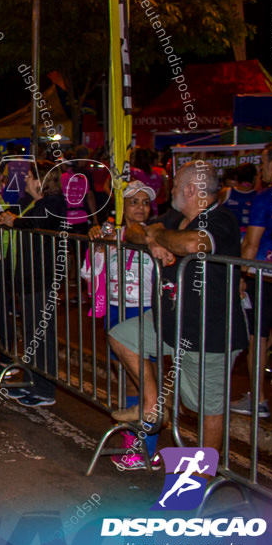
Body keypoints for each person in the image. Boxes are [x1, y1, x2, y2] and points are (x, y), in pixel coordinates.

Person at [110, 161, 248, 454]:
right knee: (122, 336)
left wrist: (158, 237)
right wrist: (149, 236)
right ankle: (151, 405)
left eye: (174, 186)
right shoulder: (175, 217)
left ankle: (201, 477)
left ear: (189, 189)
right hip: (169, 322)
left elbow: (191, 244)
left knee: (206, 408)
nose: (169, 190)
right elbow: (133, 230)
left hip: (209, 335)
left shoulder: (221, 219)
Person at [84, 180, 158, 470]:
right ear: (122, 206)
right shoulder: (110, 233)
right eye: (134, 202)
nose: (140, 207)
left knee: (146, 379)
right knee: (128, 377)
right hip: (116, 309)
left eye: (145, 202)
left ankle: (146, 446)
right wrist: (98, 247)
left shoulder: (156, 234)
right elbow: (91, 274)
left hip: (145, 312)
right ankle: (132, 438)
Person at [0, 162, 67, 407]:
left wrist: (15, 221)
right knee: (33, 334)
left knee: (42, 334)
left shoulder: (54, 203)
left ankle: (44, 390)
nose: (24, 181)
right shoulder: (30, 203)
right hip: (26, 278)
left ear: (41, 181)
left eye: (30, 176)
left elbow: (35, 222)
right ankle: (31, 381)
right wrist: (7, 218)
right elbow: (9, 215)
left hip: (41, 278)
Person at [231, 142, 272, 417]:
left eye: (262, 164)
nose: (260, 171)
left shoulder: (266, 197)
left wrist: (240, 275)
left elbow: (251, 244)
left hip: (264, 277)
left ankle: (258, 400)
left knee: (258, 338)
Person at [221, 162, 258, 238]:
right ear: (255, 178)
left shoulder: (225, 192)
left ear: (237, 177)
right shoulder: (259, 195)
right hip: (246, 238)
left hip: (228, 237)